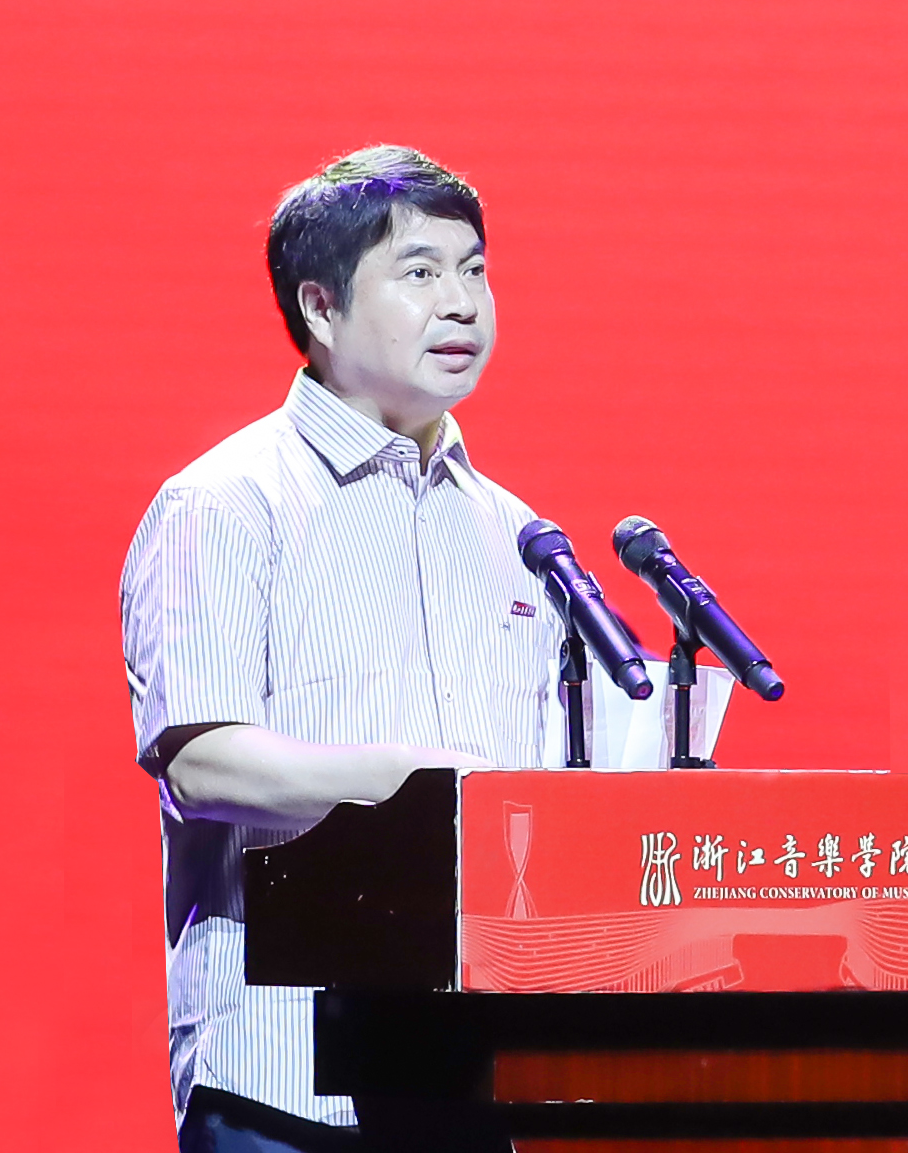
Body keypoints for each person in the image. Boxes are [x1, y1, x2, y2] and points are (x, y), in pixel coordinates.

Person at [121, 146, 565, 1153]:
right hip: (288, 1076)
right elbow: (203, 761)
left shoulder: (514, 533)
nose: (461, 304)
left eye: (475, 270)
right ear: (320, 308)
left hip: (478, 1070)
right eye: (421, 272)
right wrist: (413, 780)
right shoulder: (226, 504)